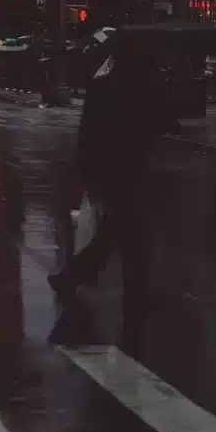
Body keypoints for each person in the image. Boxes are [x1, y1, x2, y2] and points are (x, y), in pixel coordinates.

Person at [48, 37, 170, 312]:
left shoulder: (103, 85)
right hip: (129, 168)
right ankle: (80, 278)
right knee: (122, 230)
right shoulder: (144, 88)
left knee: (123, 229)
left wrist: (86, 169)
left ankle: (123, 287)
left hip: (106, 168)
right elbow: (162, 121)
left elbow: (87, 132)